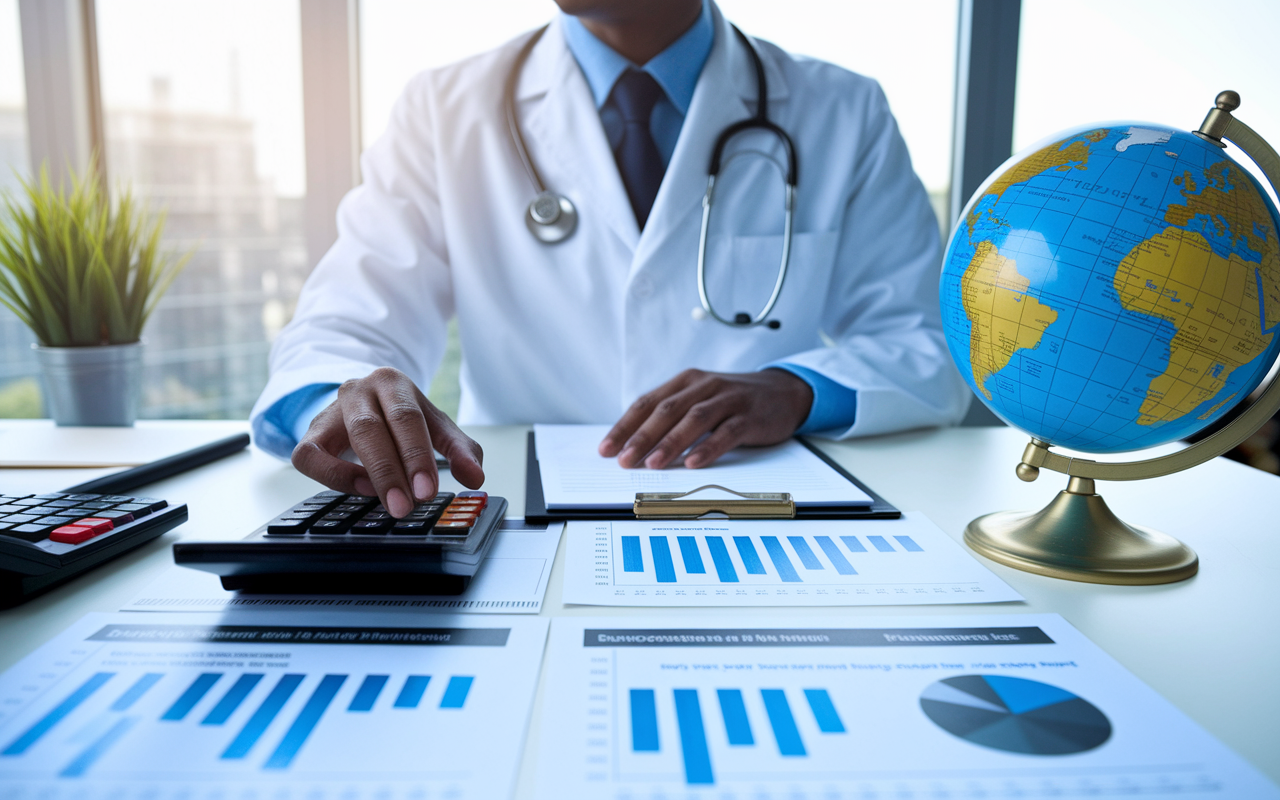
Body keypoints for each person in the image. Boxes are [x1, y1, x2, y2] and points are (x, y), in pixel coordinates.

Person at [250, 0, 970, 519]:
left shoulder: (843, 110)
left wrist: (796, 389)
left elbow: (926, 347)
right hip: (514, 521)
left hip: (755, 515)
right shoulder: (444, 108)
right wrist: (350, 400)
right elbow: (342, 326)